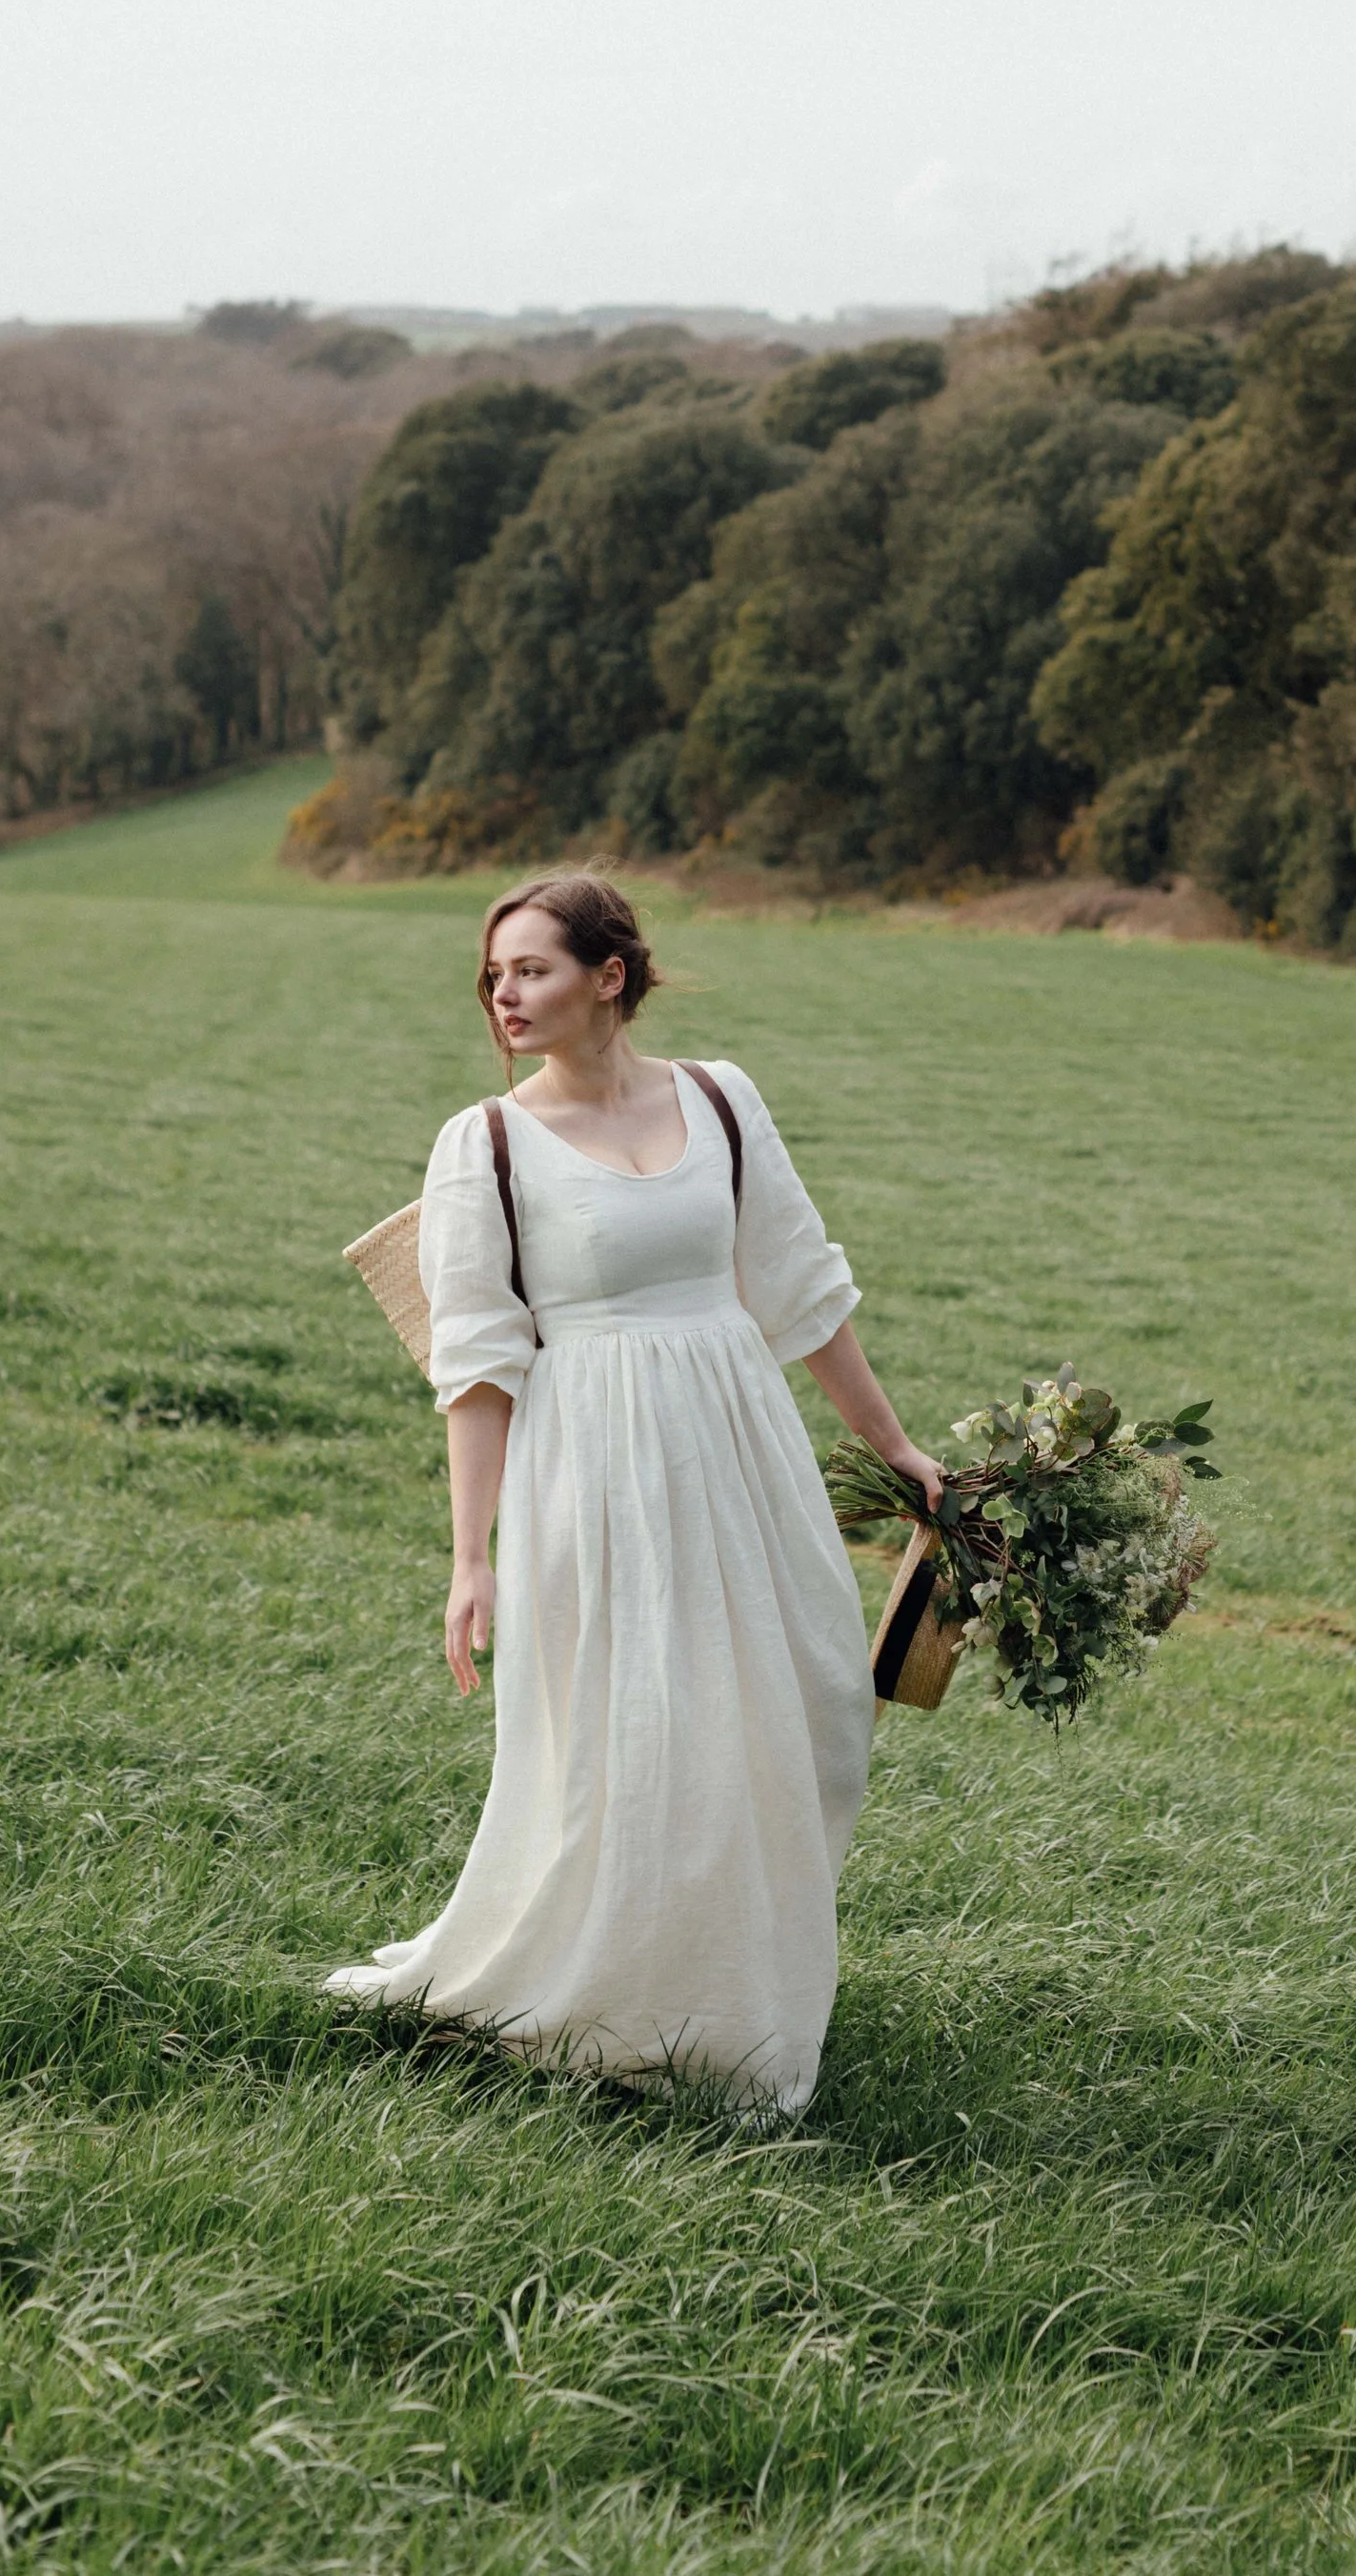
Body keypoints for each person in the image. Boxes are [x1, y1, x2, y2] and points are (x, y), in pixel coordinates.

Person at [325, 870, 943, 2113]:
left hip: (738, 1438)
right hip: (593, 1461)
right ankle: (657, 2020)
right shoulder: (483, 1144)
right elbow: (479, 1370)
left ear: (610, 976)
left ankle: (742, 1970)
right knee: (645, 1732)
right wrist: (471, 1558)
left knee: (816, 1707)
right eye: (494, 973)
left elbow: (800, 1285)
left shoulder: (720, 1097)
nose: (504, 992)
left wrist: (896, 1446)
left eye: (533, 967)